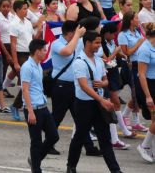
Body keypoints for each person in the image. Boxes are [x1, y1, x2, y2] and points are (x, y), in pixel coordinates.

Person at [66, 30, 122, 173]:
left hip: (98, 103)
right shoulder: (79, 62)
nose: (99, 45)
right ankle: (71, 167)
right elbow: (84, 86)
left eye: (99, 42)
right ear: (88, 43)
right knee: (79, 136)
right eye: (97, 42)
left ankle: (115, 170)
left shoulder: (98, 60)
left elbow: (105, 79)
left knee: (105, 138)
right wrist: (102, 100)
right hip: (84, 105)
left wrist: (103, 85)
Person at [21, 38, 59, 173]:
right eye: (44, 50)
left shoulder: (38, 64)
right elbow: (25, 90)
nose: (45, 52)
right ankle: (36, 169)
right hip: (33, 109)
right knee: (36, 141)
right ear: (37, 51)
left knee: (54, 136)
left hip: (43, 107)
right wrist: (30, 112)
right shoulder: (27, 67)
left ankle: (34, 159)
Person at [136, 26, 155, 163]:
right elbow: (141, 74)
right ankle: (144, 146)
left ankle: (152, 151)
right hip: (148, 85)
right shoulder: (145, 49)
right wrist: (148, 96)